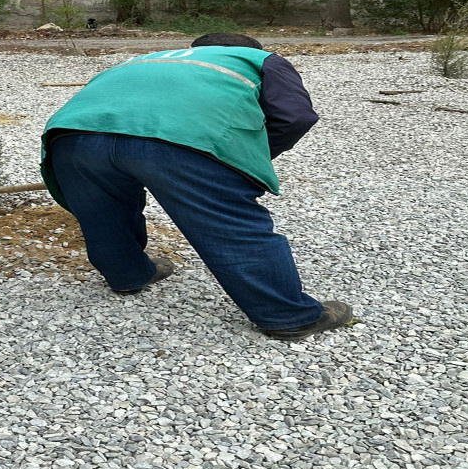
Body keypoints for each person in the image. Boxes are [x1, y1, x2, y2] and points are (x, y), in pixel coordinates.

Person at [40, 33, 353, 341]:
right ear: (253, 49)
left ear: (193, 49)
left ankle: (128, 275)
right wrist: (239, 156)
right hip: (179, 139)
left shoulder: (146, 58)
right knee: (229, 224)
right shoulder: (260, 59)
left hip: (71, 135)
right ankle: (287, 316)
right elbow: (295, 117)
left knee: (103, 212)